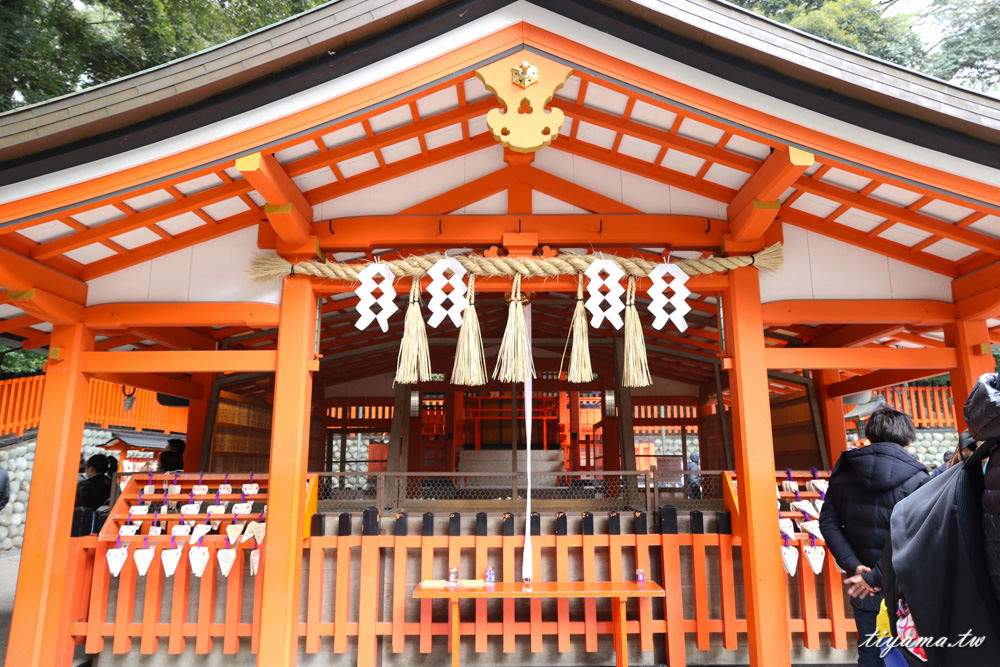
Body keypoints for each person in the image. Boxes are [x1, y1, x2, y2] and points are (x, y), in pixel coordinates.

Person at [818, 407, 928, 666]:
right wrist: (877, 575)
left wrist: (855, 566)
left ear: (870, 434)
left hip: (861, 581)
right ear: (908, 437)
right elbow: (917, 534)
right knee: (911, 654)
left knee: (870, 653)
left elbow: (828, 522)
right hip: (905, 584)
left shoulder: (845, 473)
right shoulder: (918, 478)